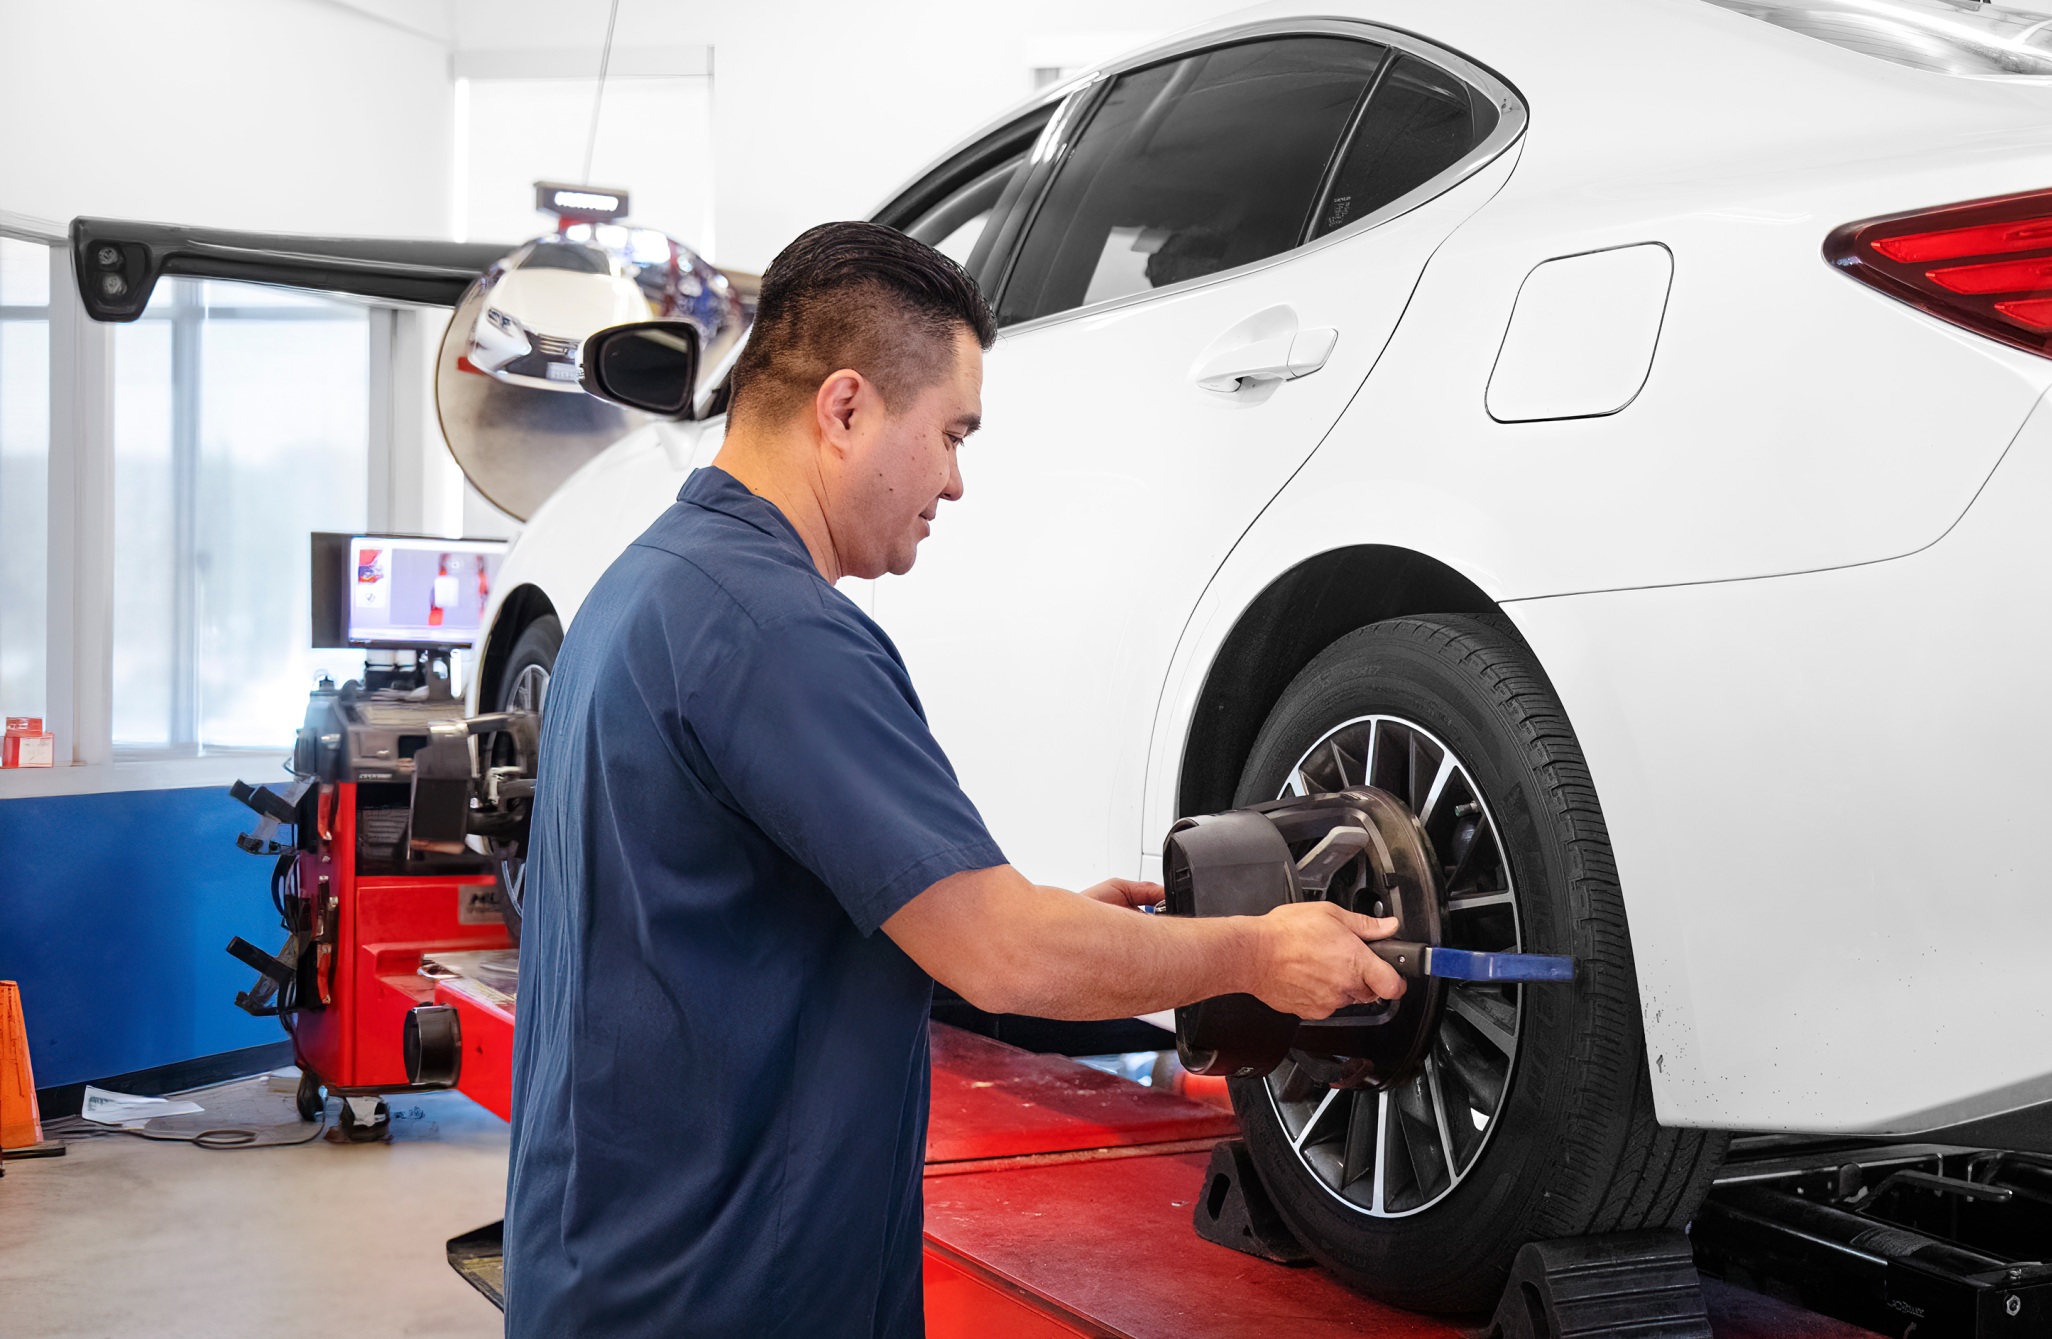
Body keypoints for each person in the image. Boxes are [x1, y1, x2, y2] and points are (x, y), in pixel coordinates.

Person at [502, 221, 1407, 1338]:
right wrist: (1259, 953)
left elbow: (760, 932)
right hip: (725, 1293)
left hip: (606, 1268)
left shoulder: (640, 594)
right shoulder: (778, 632)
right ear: (844, 409)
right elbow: (1004, 951)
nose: (957, 481)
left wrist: (1054, 930)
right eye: (950, 433)